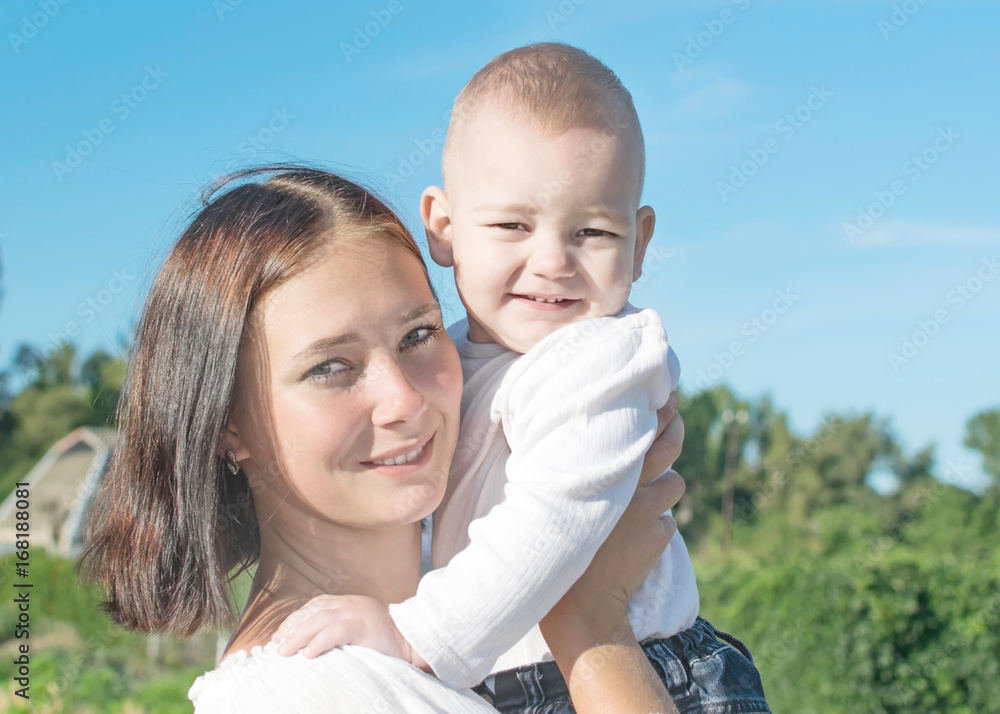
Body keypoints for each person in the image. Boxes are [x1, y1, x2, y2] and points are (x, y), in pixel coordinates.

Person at [79, 166, 688, 713]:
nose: (403, 399)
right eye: (330, 368)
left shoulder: (456, 623)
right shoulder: (301, 693)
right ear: (225, 427)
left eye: (419, 334)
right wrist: (589, 623)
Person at [273, 45, 770, 713]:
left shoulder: (603, 360)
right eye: (513, 225)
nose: (552, 261)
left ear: (639, 243)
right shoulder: (440, 363)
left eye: (592, 231)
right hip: (511, 672)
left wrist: (411, 632)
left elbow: (555, 520)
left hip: (654, 672)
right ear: (443, 228)